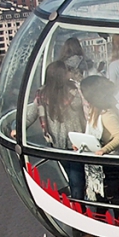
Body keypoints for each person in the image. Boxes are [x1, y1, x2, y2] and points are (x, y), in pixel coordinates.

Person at [22, 59, 87, 197]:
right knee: (77, 180)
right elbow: (87, 111)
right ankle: (79, 209)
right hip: (76, 143)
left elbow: (30, 115)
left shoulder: (43, 95)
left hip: (57, 144)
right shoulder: (74, 92)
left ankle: (78, 205)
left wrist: (18, 129)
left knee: (73, 177)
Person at [77, 75, 119, 202]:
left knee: (111, 194)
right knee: (104, 194)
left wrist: (104, 150)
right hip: (103, 160)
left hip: (109, 160)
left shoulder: (106, 114)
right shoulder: (96, 111)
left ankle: (114, 218)